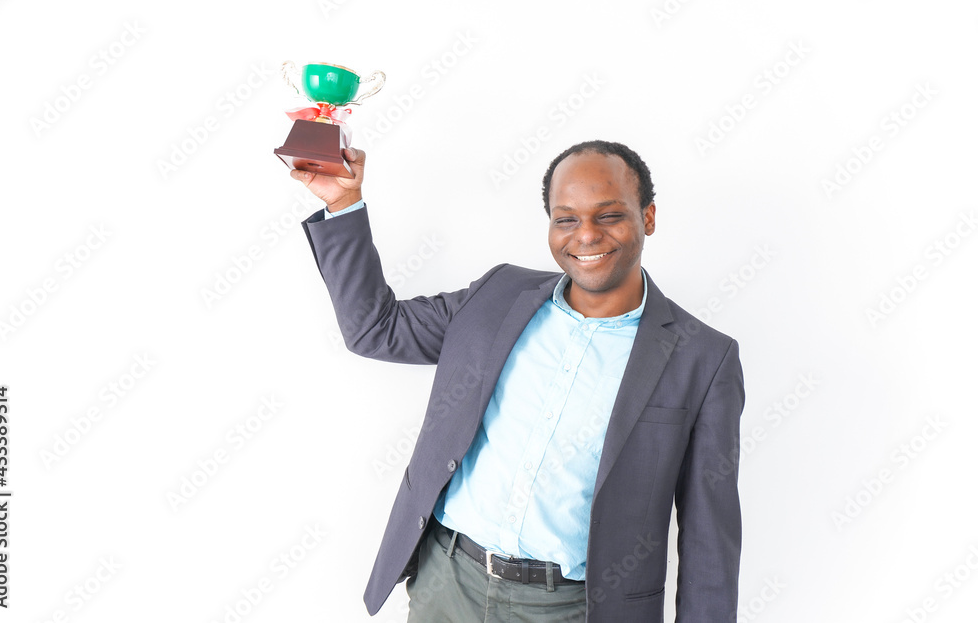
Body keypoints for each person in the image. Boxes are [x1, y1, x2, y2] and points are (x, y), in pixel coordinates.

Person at [295, 140, 745, 622]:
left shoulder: (702, 358)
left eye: (610, 215)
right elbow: (375, 329)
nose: (586, 234)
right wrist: (343, 202)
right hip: (448, 585)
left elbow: (708, 540)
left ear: (648, 217)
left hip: (572, 608)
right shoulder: (499, 296)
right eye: (566, 219)